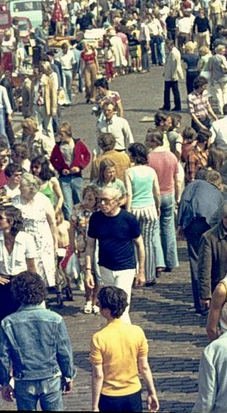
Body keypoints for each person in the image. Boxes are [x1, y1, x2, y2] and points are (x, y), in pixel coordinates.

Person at [0, 271, 74, 411]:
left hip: (24, 379)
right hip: (50, 377)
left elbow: (4, 357)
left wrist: (5, 382)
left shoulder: (8, 322)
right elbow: (64, 351)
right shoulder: (55, 319)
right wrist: (68, 375)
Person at [89, 286, 160, 413]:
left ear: (106, 309)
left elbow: (98, 375)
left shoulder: (98, 338)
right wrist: (152, 392)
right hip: (133, 393)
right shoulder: (137, 332)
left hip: (109, 397)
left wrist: (95, 406)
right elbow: (144, 367)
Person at [86, 186, 146, 324]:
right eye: (100, 200)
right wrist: (89, 271)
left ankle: (127, 339)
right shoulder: (96, 218)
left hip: (125, 268)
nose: (102, 204)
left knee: (121, 307)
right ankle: (114, 339)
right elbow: (90, 246)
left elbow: (140, 244)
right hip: (104, 268)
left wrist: (141, 271)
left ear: (117, 201)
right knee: (109, 308)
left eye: (106, 200)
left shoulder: (128, 219)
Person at [178, 170, 226, 315]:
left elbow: (184, 202)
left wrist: (180, 225)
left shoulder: (194, 185)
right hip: (211, 225)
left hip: (193, 223)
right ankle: (216, 300)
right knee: (212, 260)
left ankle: (201, 303)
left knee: (196, 261)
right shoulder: (218, 193)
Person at [196, 200, 227, 315]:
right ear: (225, 218)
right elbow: (204, 268)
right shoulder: (209, 238)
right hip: (223, 287)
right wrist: (205, 294)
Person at [11, 175, 58, 288]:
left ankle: (41, 298)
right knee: (27, 271)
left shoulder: (43, 200)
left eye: (22, 186)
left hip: (43, 241)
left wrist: (55, 243)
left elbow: (52, 223)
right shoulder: (16, 202)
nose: (19, 188)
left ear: (31, 188)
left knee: (43, 271)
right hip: (24, 241)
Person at [124, 144, 162, 286]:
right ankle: (149, 274)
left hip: (135, 209)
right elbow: (156, 192)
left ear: (133, 156)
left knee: (135, 243)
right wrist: (158, 206)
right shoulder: (151, 171)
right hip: (149, 208)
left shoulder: (129, 172)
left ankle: (136, 274)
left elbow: (129, 193)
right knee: (148, 243)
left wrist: (127, 212)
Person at [146, 130, 180, 274]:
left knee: (154, 230)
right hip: (169, 194)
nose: (147, 142)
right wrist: (177, 197)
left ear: (154, 141)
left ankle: (159, 262)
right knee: (168, 228)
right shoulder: (171, 156)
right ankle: (170, 260)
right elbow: (177, 179)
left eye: (148, 140)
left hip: (155, 196)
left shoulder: (149, 158)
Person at [50, 121, 91, 219]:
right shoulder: (58, 146)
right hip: (64, 178)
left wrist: (80, 167)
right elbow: (53, 159)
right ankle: (69, 223)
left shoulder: (78, 143)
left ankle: (81, 221)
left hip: (76, 176)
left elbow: (87, 155)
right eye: (59, 134)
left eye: (62, 134)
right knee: (67, 203)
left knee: (78, 200)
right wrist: (61, 169)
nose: (60, 137)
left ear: (68, 133)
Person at [70, 185, 99, 314]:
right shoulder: (77, 209)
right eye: (86, 198)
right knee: (86, 272)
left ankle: (96, 300)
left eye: (91, 199)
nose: (87, 202)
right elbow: (72, 227)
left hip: (98, 245)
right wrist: (72, 244)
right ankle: (88, 299)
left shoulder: (99, 211)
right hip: (83, 244)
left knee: (97, 274)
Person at [162, 38, 185, 112]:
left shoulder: (173, 53)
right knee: (174, 91)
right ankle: (174, 106)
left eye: (168, 45)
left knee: (170, 91)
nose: (167, 47)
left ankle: (169, 106)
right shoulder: (173, 51)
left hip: (171, 75)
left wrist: (173, 75)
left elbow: (174, 65)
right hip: (170, 73)